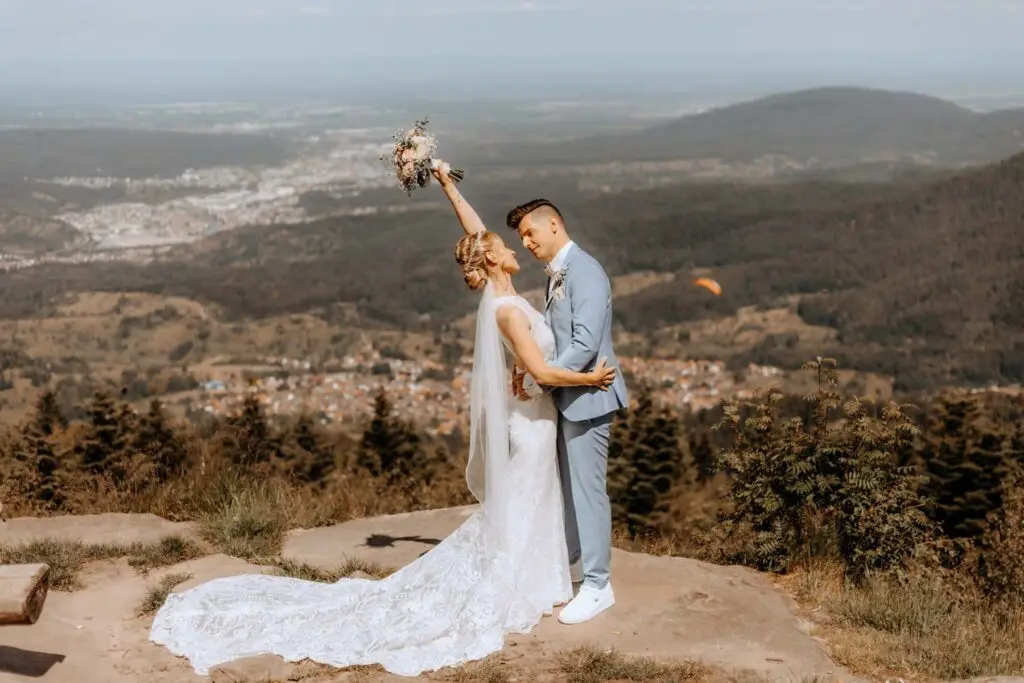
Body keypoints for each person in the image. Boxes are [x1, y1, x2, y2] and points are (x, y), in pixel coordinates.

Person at [147, 167, 617, 678]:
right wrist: (588, 380)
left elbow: (478, 235)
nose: (517, 247)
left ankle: (548, 575)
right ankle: (538, 581)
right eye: (508, 243)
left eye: (523, 237)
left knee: (540, 499)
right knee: (529, 498)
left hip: (538, 415)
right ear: (492, 259)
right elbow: (545, 366)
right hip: (537, 420)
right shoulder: (506, 308)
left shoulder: (508, 296)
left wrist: (448, 186)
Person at [505, 196, 629, 625]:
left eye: (530, 233)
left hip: (591, 399)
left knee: (589, 493)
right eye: (520, 238)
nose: (525, 243)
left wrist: (540, 376)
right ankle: (575, 564)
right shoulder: (560, 273)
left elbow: (584, 344)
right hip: (566, 397)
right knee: (570, 491)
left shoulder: (586, 272)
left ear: (554, 224)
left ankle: (598, 585)